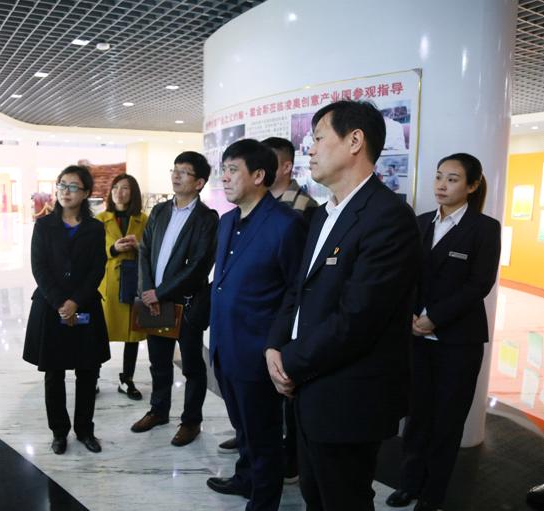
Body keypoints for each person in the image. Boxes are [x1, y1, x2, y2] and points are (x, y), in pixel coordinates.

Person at [264, 100, 421, 511]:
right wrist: (275, 345)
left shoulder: (388, 217)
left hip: (348, 396)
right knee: (315, 495)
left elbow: (358, 319)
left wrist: (290, 362)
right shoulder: (323, 214)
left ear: (354, 141)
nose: (310, 149)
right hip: (308, 385)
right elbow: (298, 289)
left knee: (344, 499)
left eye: (318, 138)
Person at [386, 153, 501, 511]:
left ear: (472, 185)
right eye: (439, 177)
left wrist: (434, 318)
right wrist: (410, 316)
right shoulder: (421, 223)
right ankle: (408, 483)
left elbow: (479, 284)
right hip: (417, 338)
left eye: (452, 179)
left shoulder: (484, 229)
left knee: (447, 421)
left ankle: (432, 495)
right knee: (417, 415)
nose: (441, 185)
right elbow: (405, 275)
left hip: (458, 342)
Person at [205, 139, 306, 510]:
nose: (225, 178)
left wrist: (280, 347)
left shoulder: (286, 224)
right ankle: (245, 478)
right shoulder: (226, 221)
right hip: (224, 344)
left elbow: (296, 293)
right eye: (224, 170)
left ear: (259, 175)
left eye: (233, 170)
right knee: (243, 427)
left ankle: (263, 501)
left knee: (264, 435)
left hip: (258, 350)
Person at [130, 151, 218, 447]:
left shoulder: (207, 218)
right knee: (159, 362)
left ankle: (191, 421)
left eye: (184, 172)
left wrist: (161, 292)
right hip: (154, 302)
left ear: (199, 183)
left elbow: (199, 265)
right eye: (174, 169)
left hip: (187, 304)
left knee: (192, 366)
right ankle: (158, 411)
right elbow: (144, 251)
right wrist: (147, 291)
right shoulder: (159, 211)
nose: (176, 176)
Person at [23, 165, 110, 455]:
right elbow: (39, 268)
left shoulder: (95, 228)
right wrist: (61, 302)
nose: (65, 191)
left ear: (85, 193)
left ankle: (85, 429)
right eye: (62, 185)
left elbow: (97, 268)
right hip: (51, 307)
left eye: (73, 186)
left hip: (85, 307)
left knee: (88, 372)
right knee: (54, 374)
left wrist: (76, 301)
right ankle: (59, 432)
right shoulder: (43, 225)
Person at [96, 174, 148, 400]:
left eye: (125, 188)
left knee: (132, 334)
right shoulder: (100, 219)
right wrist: (113, 249)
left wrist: (138, 247)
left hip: (133, 283)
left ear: (133, 192)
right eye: (115, 187)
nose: (119, 192)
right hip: (107, 284)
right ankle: (93, 377)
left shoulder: (143, 219)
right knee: (99, 333)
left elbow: (152, 249)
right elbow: (90, 252)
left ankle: (127, 379)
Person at [263, 136, 319, 221]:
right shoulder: (258, 201)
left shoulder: (307, 206)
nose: (260, 170)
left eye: (266, 163)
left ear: (287, 167)